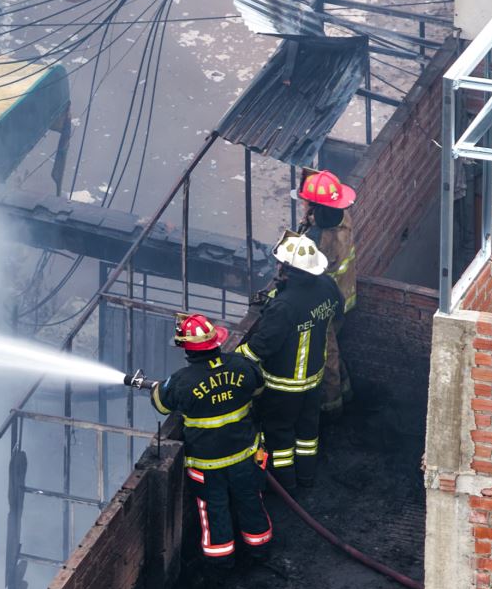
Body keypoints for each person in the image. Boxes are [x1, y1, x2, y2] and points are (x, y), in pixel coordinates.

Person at [128, 313, 271, 566]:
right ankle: (259, 550)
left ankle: (220, 564)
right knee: (250, 500)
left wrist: (159, 386)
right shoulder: (242, 365)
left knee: (214, 510)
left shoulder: (182, 381)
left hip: (208, 465)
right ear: (216, 341)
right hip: (246, 457)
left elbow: (161, 404)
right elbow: (258, 388)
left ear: (187, 350)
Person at [237, 233, 343, 488]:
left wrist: (234, 359)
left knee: (279, 434)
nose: (277, 268)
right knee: (307, 433)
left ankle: (285, 486)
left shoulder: (285, 306)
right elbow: (337, 310)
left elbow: (264, 345)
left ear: (290, 270)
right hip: (314, 377)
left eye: (281, 264)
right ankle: (306, 477)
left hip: (284, 385)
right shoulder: (327, 286)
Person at [298, 169, 357, 415]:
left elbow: (301, 274)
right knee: (336, 349)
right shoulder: (342, 217)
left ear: (315, 208)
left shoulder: (318, 239)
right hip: (344, 296)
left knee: (327, 354)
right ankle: (346, 391)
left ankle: (333, 408)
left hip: (326, 305)